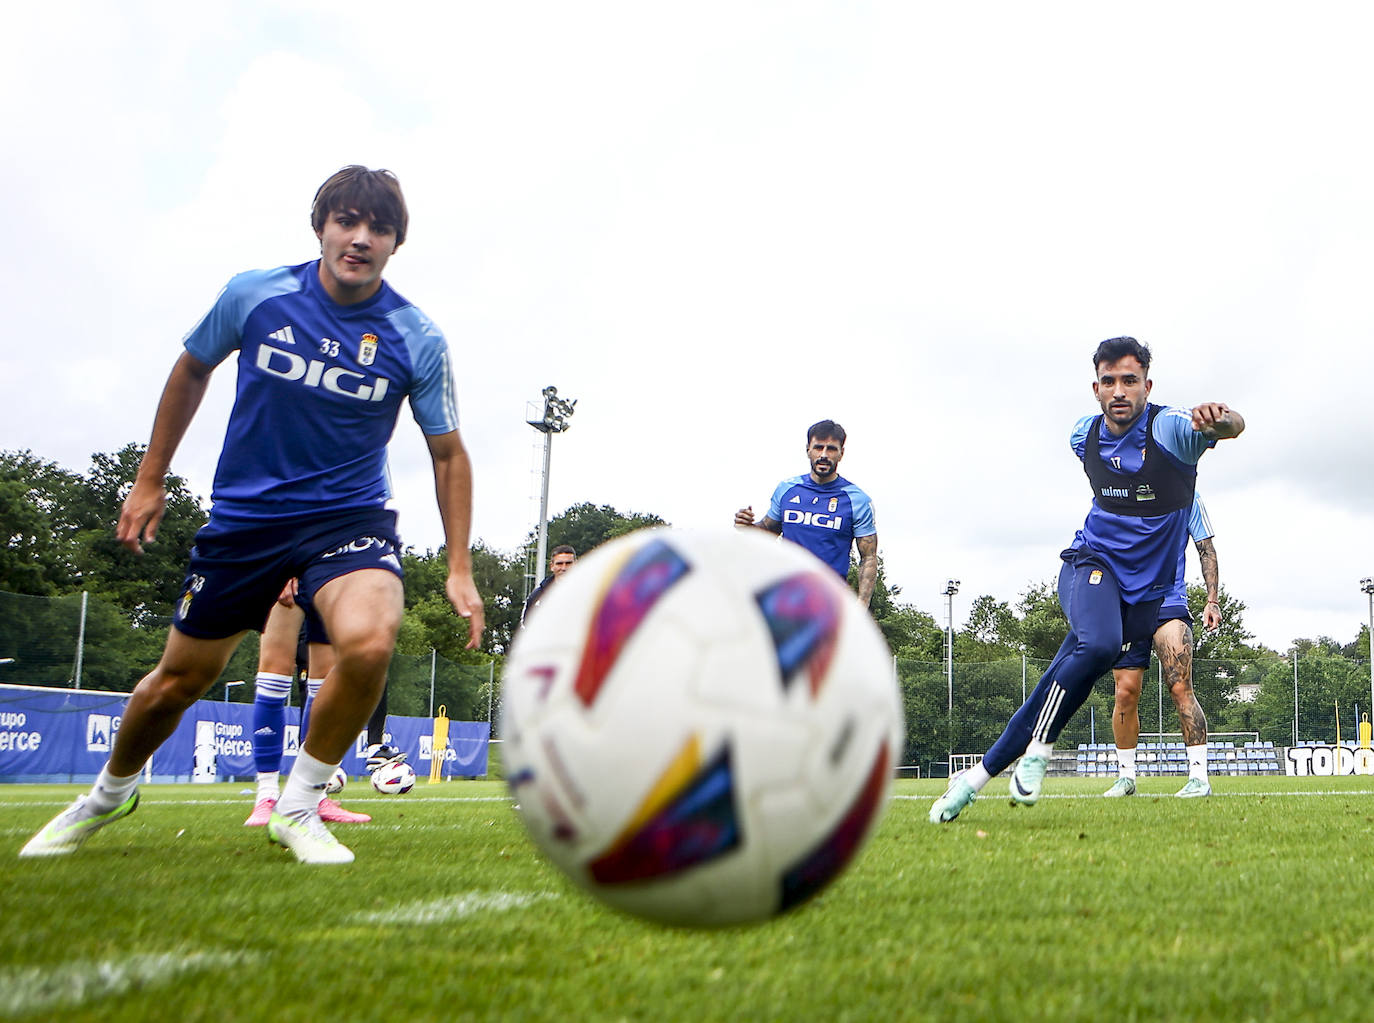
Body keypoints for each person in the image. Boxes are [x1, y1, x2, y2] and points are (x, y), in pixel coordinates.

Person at [21, 165, 484, 865]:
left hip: (348, 518)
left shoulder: (415, 336)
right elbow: (191, 369)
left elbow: (448, 454)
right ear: (321, 226)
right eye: (347, 221)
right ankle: (108, 793)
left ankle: (297, 805)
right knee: (177, 682)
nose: (360, 238)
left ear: (396, 243)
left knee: (369, 639)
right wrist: (150, 481)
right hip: (246, 521)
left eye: (378, 227)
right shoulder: (255, 294)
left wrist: (459, 566)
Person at [930, 337, 1243, 823]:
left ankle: (971, 781)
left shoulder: (1175, 431)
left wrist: (1222, 419)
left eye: (1130, 381)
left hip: (1150, 594)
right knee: (1099, 647)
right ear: (1096, 388)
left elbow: (1233, 427)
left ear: (1147, 385)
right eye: (1109, 382)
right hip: (1090, 566)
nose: (1119, 391)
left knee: (1052, 688)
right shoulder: (1083, 434)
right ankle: (1039, 752)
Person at [1105, 494, 1222, 799]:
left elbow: (1205, 548)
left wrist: (1212, 600)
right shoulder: (1119, 490)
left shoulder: (1187, 495)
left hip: (1169, 602)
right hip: (1128, 605)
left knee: (1180, 685)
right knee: (1125, 691)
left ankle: (1199, 777)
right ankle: (1126, 777)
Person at [244, 585, 371, 826]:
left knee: (324, 681)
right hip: (288, 565)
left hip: (328, 573)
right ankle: (267, 796)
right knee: (274, 674)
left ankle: (314, 796)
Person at [734, 419, 879, 607]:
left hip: (828, 603)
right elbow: (768, 531)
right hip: (783, 597)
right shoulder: (787, 489)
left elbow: (868, 556)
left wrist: (862, 603)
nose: (824, 455)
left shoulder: (857, 500)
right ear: (808, 450)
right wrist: (746, 526)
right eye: (819, 447)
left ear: (841, 453)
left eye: (832, 449)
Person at [520, 545, 576, 625]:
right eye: (559, 564)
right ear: (552, 566)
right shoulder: (537, 596)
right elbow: (526, 626)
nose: (564, 568)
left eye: (568, 563)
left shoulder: (590, 592)